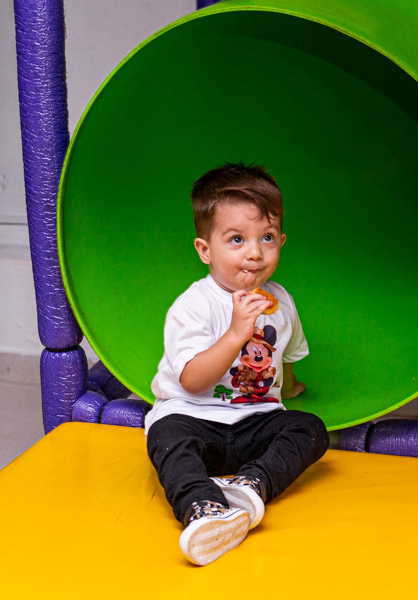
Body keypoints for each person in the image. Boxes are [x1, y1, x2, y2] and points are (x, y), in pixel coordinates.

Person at [145, 162, 329, 566]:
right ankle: (204, 508)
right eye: (236, 240)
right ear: (205, 250)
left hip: (253, 424)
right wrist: (234, 334)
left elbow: (285, 364)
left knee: (310, 429)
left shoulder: (282, 302)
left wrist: (292, 389)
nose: (254, 252)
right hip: (194, 417)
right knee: (166, 437)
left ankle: (250, 486)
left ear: (281, 241)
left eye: (267, 237)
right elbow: (191, 381)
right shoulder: (194, 305)